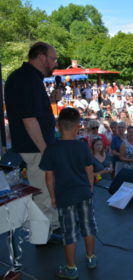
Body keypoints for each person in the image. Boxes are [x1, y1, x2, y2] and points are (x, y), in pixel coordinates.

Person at [5, 41, 60, 231]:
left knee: (45, 188)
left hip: (36, 145)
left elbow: (33, 111)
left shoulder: (28, 77)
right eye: (53, 59)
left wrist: (51, 99)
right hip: (36, 147)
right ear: (41, 58)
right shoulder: (26, 80)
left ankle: (51, 226)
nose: (56, 63)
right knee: (42, 190)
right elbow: (29, 120)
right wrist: (46, 151)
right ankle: (44, 234)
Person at [39, 108, 97, 279]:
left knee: (69, 232)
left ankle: (71, 269)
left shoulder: (51, 149)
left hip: (64, 196)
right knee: (88, 226)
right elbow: (90, 170)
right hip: (83, 193)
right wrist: (90, 187)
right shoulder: (82, 146)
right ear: (78, 127)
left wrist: (52, 197)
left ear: (58, 126)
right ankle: (90, 258)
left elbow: (49, 177)